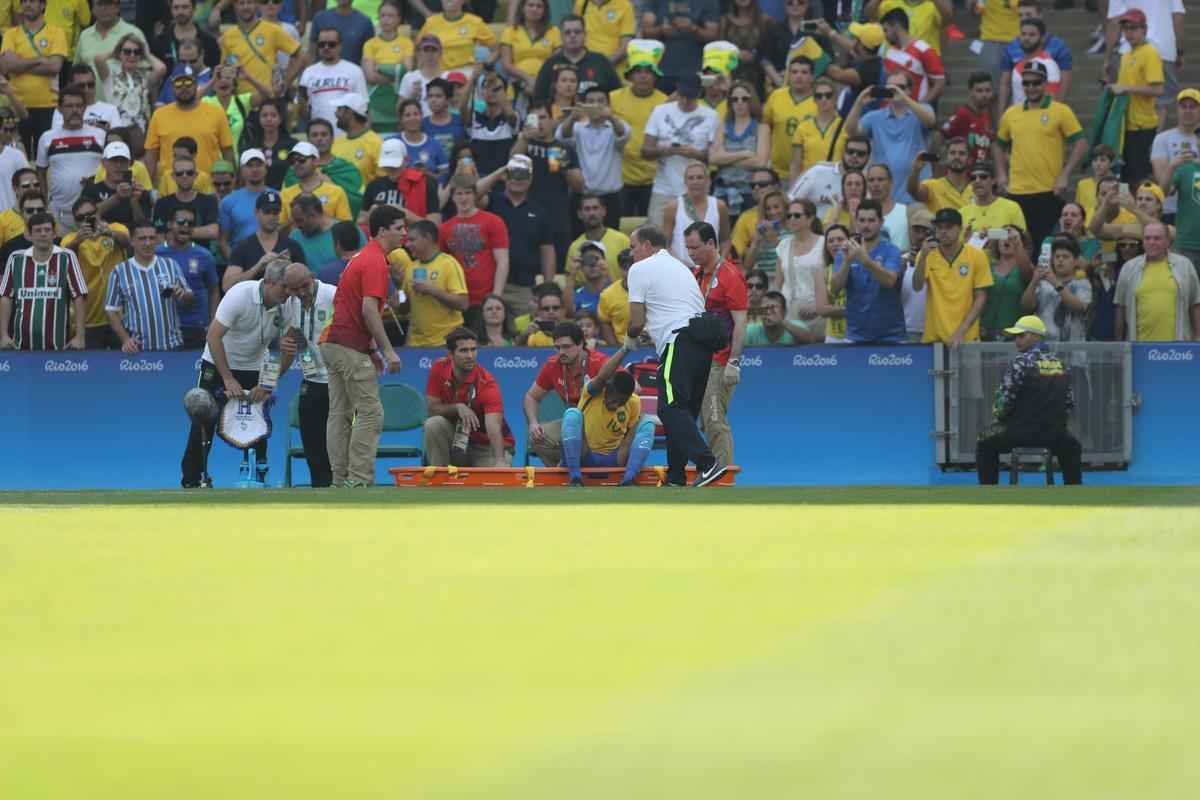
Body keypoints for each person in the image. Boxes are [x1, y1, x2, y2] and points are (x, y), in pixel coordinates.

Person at [180, 259, 297, 488]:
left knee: (258, 421)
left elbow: (288, 348)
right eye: (285, 287)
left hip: (255, 365)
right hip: (217, 363)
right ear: (270, 282)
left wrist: (267, 384)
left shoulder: (289, 304)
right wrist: (227, 378)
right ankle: (193, 480)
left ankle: (258, 477)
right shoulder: (239, 295)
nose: (289, 293)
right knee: (204, 419)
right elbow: (213, 337)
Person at [626, 224, 726, 487]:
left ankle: (708, 463)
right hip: (701, 342)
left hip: (678, 340)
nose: (630, 253)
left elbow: (635, 322)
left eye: (633, 246)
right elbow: (676, 306)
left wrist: (631, 336)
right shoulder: (680, 267)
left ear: (647, 246)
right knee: (682, 413)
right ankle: (676, 476)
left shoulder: (639, 268)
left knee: (669, 409)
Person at [317, 204, 405, 487]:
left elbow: (351, 308)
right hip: (347, 344)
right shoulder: (376, 261)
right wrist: (388, 350)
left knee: (339, 414)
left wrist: (370, 349)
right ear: (382, 231)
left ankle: (340, 481)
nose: (404, 233)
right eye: (399, 228)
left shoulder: (361, 258)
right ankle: (359, 481)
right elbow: (368, 310)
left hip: (333, 342)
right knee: (370, 412)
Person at [975, 314, 1083, 485]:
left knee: (984, 442)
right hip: (1055, 434)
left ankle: (989, 494)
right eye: (1014, 337)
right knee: (1073, 446)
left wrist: (999, 419)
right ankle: (1075, 494)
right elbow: (1069, 404)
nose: (1016, 340)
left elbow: (1003, 402)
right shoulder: (1062, 364)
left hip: (1018, 432)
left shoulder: (1020, 363)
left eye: (1021, 336)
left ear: (1036, 337)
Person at [993, 61, 1087, 250]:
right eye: (1026, 83)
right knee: (1016, 243)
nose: (1031, 87)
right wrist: (1002, 174)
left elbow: (1081, 142)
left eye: (1036, 83)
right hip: (1017, 191)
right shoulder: (1011, 113)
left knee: (1046, 246)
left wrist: (1065, 174)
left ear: (1044, 83)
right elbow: (998, 144)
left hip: (1049, 190)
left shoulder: (1060, 110)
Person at [685, 221, 746, 468]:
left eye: (695, 248)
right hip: (698, 360)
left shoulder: (730, 276)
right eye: (687, 248)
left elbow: (741, 322)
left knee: (714, 419)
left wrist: (734, 362)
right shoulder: (695, 274)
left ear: (711, 243)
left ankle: (722, 476)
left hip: (720, 362)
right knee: (702, 420)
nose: (691, 253)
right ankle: (711, 469)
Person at [559, 338, 655, 486]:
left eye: (621, 402)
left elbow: (629, 438)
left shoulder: (634, 402)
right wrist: (625, 349)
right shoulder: (593, 391)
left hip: (614, 459)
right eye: (613, 399)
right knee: (572, 414)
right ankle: (575, 477)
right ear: (607, 389)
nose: (616, 405)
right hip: (585, 455)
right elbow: (603, 376)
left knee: (648, 422)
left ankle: (629, 479)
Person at [279, 262, 337, 488]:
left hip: (338, 382)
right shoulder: (291, 304)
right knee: (313, 445)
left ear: (312, 277)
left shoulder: (333, 295)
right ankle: (319, 491)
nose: (301, 292)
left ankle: (347, 491)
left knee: (340, 443)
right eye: (295, 289)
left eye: (304, 285)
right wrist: (272, 380)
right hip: (312, 381)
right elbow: (292, 342)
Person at [424, 326, 515, 466]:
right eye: (463, 350)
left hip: (485, 446)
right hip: (457, 442)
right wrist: (457, 407)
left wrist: (500, 461)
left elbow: (494, 429)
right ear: (450, 354)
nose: (470, 356)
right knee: (433, 424)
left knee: (496, 477)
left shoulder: (487, 383)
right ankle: (438, 479)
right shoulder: (439, 368)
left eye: (473, 349)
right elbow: (431, 409)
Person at [523, 319, 608, 465]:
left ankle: (572, 467)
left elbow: (634, 387)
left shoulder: (599, 362)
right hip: (573, 424)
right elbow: (531, 397)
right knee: (537, 437)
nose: (561, 352)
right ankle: (560, 476)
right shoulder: (553, 364)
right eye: (557, 347)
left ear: (581, 344)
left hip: (601, 424)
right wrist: (533, 423)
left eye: (566, 347)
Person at [0, 211, 86, 351]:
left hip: (58, 348)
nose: (43, 234)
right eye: (38, 230)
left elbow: (79, 296)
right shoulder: (16, 259)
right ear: (28, 235)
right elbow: (5, 297)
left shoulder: (67, 257)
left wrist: (80, 336)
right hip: (20, 348)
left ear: (54, 233)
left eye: (47, 230)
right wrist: (3, 335)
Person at [641, 76, 720, 228]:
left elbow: (715, 157)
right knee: (657, 235)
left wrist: (694, 153)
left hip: (696, 187)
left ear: (699, 94)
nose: (684, 100)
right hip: (664, 187)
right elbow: (645, 151)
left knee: (696, 236)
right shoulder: (660, 111)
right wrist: (665, 150)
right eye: (682, 95)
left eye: (689, 96)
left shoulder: (711, 116)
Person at [845, 72, 935, 204]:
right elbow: (851, 132)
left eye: (901, 87)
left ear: (909, 90)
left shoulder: (922, 109)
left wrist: (904, 98)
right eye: (891, 88)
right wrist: (859, 102)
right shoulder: (875, 117)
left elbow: (930, 121)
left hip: (917, 196)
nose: (895, 91)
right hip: (885, 198)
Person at [104, 220, 193, 352]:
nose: (148, 243)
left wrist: (184, 295)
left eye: (152, 238)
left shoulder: (171, 265)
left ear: (157, 240)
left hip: (172, 347)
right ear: (132, 241)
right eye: (142, 239)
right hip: (138, 350)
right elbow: (111, 310)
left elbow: (190, 299)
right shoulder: (120, 271)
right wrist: (125, 339)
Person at [513, 101, 581, 267]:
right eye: (534, 118)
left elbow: (579, 185)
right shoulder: (524, 144)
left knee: (558, 265)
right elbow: (513, 164)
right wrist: (525, 138)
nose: (539, 122)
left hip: (557, 216)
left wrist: (563, 165)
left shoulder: (564, 148)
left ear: (552, 120)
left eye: (543, 117)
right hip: (528, 214)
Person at [913, 207, 994, 345]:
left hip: (967, 338)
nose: (943, 232)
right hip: (934, 338)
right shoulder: (926, 254)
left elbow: (981, 297)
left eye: (949, 227)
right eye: (939, 227)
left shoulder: (977, 255)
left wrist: (962, 330)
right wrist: (923, 257)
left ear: (960, 229)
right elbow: (917, 286)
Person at [829, 200, 906, 343]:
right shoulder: (845, 251)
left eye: (871, 220)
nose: (866, 225)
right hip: (855, 336)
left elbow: (890, 281)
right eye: (862, 220)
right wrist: (847, 262)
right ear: (856, 222)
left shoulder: (892, 250)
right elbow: (834, 288)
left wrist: (865, 260)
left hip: (891, 336)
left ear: (881, 222)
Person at [143, 68, 235, 188]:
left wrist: (232, 183)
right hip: (171, 187)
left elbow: (227, 150)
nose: (184, 88)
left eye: (188, 83)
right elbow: (151, 154)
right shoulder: (159, 115)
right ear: (172, 87)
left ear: (196, 84)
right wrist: (147, 187)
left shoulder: (216, 112)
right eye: (178, 84)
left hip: (208, 186)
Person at [61, 195, 130, 349]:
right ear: (75, 222)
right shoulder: (70, 239)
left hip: (119, 316)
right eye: (81, 218)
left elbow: (127, 242)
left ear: (98, 213)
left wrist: (109, 233)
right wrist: (78, 241)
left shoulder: (116, 228)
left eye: (91, 215)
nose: (87, 220)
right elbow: (63, 258)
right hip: (88, 319)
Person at [1104, 0, 1185, 131]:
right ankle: (1152, 143)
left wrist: (1108, 58)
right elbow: (1178, 17)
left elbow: (1114, 22)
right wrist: (1180, 50)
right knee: (1160, 104)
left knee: (1126, 98)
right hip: (1164, 48)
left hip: (1129, 50)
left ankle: (1138, 141)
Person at [439, 174, 510, 320]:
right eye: (459, 193)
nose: (463, 198)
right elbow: (443, 265)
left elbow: (502, 261)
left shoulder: (493, 221)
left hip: (486, 298)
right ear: (452, 197)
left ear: (475, 195)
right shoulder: (444, 228)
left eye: (468, 193)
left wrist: (496, 295)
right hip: (458, 299)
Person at [1, 0, 68, 154]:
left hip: (47, 106)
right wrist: (39, 60)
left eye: (32, 1)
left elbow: (54, 67)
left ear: (43, 5)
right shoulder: (11, 34)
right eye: (24, 1)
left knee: (45, 156)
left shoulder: (56, 32)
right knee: (16, 156)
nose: (27, 4)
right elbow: (6, 66)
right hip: (16, 107)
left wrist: (19, 64)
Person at [1114, 222, 1200, 341]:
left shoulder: (1184, 265)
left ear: (1168, 242)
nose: (1151, 242)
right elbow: (1120, 307)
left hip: (1178, 348)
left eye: (1157, 238)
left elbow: (1195, 304)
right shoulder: (1129, 268)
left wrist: (1198, 336)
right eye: (1147, 238)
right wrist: (1119, 342)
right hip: (1139, 346)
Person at [36, 86, 105, 229]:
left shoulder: (100, 136)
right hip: (59, 214)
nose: (74, 110)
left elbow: (110, 168)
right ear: (59, 108)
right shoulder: (47, 138)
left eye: (79, 106)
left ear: (85, 108)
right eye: (69, 106)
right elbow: (40, 172)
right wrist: (45, 203)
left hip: (94, 212)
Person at [1112, 9, 1165, 188]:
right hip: (1126, 124)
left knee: (1141, 178)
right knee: (1126, 178)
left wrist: (1126, 88)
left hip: (1143, 125)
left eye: (1134, 28)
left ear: (1144, 29)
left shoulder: (1150, 53)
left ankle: (1145, 213)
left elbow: (1158, 89)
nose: (1129, 33)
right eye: (1126, 28)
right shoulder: (1126, 54)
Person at [610, 53, 667, 218]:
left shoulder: (664, 102)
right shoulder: (613, 98)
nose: (643, 76)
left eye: (648, 72)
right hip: (620, 176)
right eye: (638, 71)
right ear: (630, 75)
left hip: (654, 178)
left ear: (656, 76)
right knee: (621, 224)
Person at [557, 84, 629, 211]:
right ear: (584, 105)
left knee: (612, 231)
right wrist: (572, 118)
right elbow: (561, 137)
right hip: (583, 195)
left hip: (611, 196)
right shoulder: (578, 127)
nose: (596, 105)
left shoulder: (616, 126)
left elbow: (623, 134)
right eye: (590, 102)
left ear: (609, 105)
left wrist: (611, 117)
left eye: (601, 101)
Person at [397, 218, 469, 346]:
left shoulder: (448, 264)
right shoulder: (411, 268)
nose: (407, 245)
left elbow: (463, 303)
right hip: (415, 344)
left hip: (445, 342)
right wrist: (399, 295)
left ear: (428, 238)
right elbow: (404, 307)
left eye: (412, 240)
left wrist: (432, 290)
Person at [156, 205, 218, 349]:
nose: (185, 226)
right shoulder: (156, 254)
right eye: (181, 222)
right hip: (165, 326)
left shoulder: (204, 255)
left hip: (196, 326)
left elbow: (213, 291)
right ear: (169, 224)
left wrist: (213, 321)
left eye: (190, 223)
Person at [223, 189, 307, 290]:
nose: (271, 217)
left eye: (275, 212)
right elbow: (227, 286)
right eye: (267, 212)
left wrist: (290, 269)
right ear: (257, 212)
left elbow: (305, 283)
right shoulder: (243, 247)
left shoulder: (292, 246)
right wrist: (257, 267)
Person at [710, 80, 770, 220]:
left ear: (752, 101)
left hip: (750, 192)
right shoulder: (722, 127)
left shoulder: (762, 129)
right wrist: (744, 154)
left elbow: (760, 162)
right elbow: (713, 159)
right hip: (721, 191)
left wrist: (725, 159)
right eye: (735, 99)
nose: (740, 102)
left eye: (745, 99)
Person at [218, 0, 304, 97]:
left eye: (249, 2)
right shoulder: (228, 36)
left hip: (267, 100)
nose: (246, 7)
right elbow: (225, 68)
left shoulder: (272, 30)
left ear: (255, 4)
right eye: (241, 3)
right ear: (235, 6)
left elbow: (300, 56)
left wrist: (286, 83)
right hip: (241, 101)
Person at [532, 14, 621, 102]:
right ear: (561, 36)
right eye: (567, 32)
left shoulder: (601, 61)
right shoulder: (550, 64)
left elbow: (617, 96)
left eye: (577, 32)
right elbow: (539, 99)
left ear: (585, 35)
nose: (573, 36)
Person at [95, 32, 166, 142]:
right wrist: (115, 52)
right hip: (117, 132)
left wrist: (146, 54)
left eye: (136, 52)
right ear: (120, 54)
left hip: (141, 134)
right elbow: (99, 60)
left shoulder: (145, 77)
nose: (132, 55)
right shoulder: (110, 77)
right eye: (127, 52)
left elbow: (161, 68)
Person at [1020, 236, 1091, 343]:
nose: (1060, 260)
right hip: (1045, 347)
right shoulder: (1043, 284)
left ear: (1076, 261)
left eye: (1065, 257)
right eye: (1057, 257)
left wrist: (1055, 282)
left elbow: (1079, 307)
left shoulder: (1083, 283)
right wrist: (1034, 282)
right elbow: (1025, 307)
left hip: (1073, 348)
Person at [775, 199, 827, 338]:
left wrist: (820, 307)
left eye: (797, 215)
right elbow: (778, 283)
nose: (792, 219)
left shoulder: (824, 244)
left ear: (810, 218)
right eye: (789, 216)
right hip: (789, 314)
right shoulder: (783, 245)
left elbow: (832, 281)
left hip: (817, 314)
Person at [997, 14, 1072, 111]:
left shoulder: (1049, 65)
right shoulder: (1017, 66)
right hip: (1017, 120)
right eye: (1023, 34)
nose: (1026, 38)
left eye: (1032, 35)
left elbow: (1051, 102)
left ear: (1042, 38)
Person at [664, 161, 729, 268]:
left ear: (708, 181)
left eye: (699, 177)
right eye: (691, 178)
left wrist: (719, 264)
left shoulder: (719, 206)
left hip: (712, 269)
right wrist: (679, 266)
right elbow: (665, 244)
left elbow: (725, 240)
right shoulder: (673, 207)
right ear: (685, 181)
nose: (695, 181)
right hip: (681, 269)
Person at [362, 138, 441, 225]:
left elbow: (435, 226)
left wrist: (404, 214)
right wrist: (371, 215)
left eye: (395, 164)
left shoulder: (426, 183)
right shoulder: (373, 186)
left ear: (406, 160)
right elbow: (361, 222)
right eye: (387, 164)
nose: (390, 168)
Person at [298, 29, 368, 128]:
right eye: (322, 44)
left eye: (331, 44)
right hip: (320, 135)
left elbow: (363, 106)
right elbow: (303, 109)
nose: (326, 47)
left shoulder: (354, 70)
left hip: (347, 135)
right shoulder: (308, 72)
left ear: (340, 46)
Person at [360, 0, 411, 135]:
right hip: (376, 99)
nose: (386, 19)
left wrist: (380, 68)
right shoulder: (370, 44)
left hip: (398, 98)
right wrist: (395, 71)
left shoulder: (407, 43)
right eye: (382, 16)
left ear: (399, 19)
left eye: (390, 16)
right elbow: (370, 76)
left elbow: (407, 71)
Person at [76, 0, 148, 92]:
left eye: (108, 3)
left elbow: (145, 71)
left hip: (124, 103)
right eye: (99, 4)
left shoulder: (134, 33)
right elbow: (77, 71)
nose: (104, 8)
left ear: (117, 7)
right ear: (92, 9)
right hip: (91, 103)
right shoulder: (84, 35)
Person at [879, 7, 945, 106]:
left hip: (912, 114)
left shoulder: (924, 49)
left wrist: (921, 105)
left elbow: (940, 83)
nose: (885, 35)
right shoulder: (890, 51)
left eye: (886, 30)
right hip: (890, 112)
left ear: (896, 26)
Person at [761, 57, 815, 178]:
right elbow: (765, 127)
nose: (798, 76)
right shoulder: (776, 96)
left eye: (804, 72)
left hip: (807, 173)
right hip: (776, 172)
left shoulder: (820, 100)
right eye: (794, 72)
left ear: (812, 77)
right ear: (788, 75)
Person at [758, 0, 830, 91]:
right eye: (790, 2)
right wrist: (779, 80)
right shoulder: (773, 29)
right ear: (784, 4)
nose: (795, 5)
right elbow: (764, 58)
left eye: (800, 2)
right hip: (780, 87)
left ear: (807, 4)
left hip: (812, 89)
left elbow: (827, 61)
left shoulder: (818, 29)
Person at [79, 140, 152, 228]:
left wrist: (134, 202)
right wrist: (117, 197)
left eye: (123, 161)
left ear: (130, 163)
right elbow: (85, 216)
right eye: (113, 160)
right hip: (100, 238)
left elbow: (144, 226)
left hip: (130, 239)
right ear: (104, 163)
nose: (118, 165)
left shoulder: (139, 192)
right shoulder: (91, 189)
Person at [151, 154, 220, 248]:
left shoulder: (209, 201)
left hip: (200, 257)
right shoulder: (162, 203)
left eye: (189, 173)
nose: (184, 176)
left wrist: (176, 232)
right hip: (170, 257)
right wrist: (197, 232)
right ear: (173, 176)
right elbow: (159, 237)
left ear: (196, 175)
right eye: (179, 173)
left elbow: (213, 232)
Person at [280, 141, 353, 226]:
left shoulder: (336, 192)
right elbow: (279, 229)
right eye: (292, 161)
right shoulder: (285, 194)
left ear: (316, 161)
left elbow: (346, 226)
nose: (296, 164)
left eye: (301, 160)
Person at [461, 69, 518, 179]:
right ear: (481, 92)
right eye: (487, 87)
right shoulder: (474, 118)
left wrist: (497, 83)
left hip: (504, 181)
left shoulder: (512, 117)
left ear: (504, 92)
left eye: (496, 88)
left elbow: (510, 114)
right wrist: (472, 79)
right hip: (479, 182)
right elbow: (462, 107)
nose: (491, 91)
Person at [980, 225, 1033, 340]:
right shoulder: (987, 266)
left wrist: (1018, 243)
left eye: (1012, 237)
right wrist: (978, 241)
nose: (1007, 239)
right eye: (1003, 235)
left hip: (1015, 335)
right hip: (985, 333)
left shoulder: (1024, 267)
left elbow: (1028, 273)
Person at [501, 0, 563, 98]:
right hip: (518, 82)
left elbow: (556, 61)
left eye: (539, 6)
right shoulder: (510, 31)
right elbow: (506, 64)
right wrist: (528, 78)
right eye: (530, 5)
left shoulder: (554, 31)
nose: (534, 9)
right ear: (522, 8)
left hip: (546, 81)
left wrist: (539, 80)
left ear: (544, 10)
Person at [960, 161, 1028, 247]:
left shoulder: (1012, 207)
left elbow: (1021, 238)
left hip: (1002, 259)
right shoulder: (962, 213)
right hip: (971, 259)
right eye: (973, 178)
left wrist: (992, 234)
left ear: (993, 180)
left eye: (983, 177)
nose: (977, 181)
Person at [417, 0, 497, 74]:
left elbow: (496, 49)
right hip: (438, 71)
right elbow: (418, 48)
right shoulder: (431, 22)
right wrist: (423, 67)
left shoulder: (475, 22)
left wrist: (485, 64)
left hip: (466, 71)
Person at [218, 149, 272, 256]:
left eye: (258, 165)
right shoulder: (229, 201)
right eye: (250, 166)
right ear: (241, 171)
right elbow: (223, 241)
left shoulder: (278, 197)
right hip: (242, 262)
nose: (255, 169)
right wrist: (235, 264)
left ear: (265, 168)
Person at [567, 194, 630, 280]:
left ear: (604, 211)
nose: (592, 213)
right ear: (579, 214)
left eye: (595, 208)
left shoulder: (622, 240)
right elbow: (574, 284)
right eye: (587, 209)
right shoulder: (574, 247)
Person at [940, 72, 996, 168]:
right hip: (963, 175)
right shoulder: (962, 114)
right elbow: (940, 136)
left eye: (987, 90)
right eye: (979, 91)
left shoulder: (987, 114)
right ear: (970, 92)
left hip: (981, 174)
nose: (984, 94)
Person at [151, 0, 221, 76]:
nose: (180, 12)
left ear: (194, 9)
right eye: (176, 7)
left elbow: (214, 74)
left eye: (185, 7)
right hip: (169, 86)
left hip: (203, 86)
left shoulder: (209, 41)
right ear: (171, 10)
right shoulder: (159, 42)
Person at [907, 138, 972, 214]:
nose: (956, 157)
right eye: (952, 153)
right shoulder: (933, 186)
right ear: (946, 157)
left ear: (969, 159)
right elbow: (913, 191)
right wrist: (916, 171)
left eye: (962, 153)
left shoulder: (976, 189)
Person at [52, 65, 119, 131]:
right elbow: (58, 133)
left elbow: (119, 136)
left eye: (90, 85)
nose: (86, 89)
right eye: (81, 86)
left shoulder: (111, 109)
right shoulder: (63, 109)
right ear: (70, 85)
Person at [394, 98, 447, 182]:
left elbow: (445, 177)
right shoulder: (393, 143)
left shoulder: (435, 144)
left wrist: (427, 174)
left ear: (422, 116)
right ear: (401, 119)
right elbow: (385, 175)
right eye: (407, 115)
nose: (412, 118)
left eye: (416, 114)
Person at [308, 0, 374, 65]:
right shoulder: (320, 18)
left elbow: (369, 57)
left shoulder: (365, 22)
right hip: (322, 73)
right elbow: (312, 52)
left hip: (352, 73)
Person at [743, 289, 817, 344]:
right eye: (765, 308)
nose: (768, 312)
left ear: (784, 312)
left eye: (773, 308)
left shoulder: (796, 326)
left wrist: (782, 322)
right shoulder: (751, 331)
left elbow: (812, 340)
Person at [865, 163, 909, 251]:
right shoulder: (861, 214)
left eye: (880, 179)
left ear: (891, 183)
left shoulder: (906, 212)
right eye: (871, 180)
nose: (876, 184)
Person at [399, 34, 445, 116]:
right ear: (419, 53)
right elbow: (399, 110)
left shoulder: (448, 77)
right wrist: (411, 98)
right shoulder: (409, 77)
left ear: (440, 52)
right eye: (426, 50)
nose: (430, 54)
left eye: (434, 50)